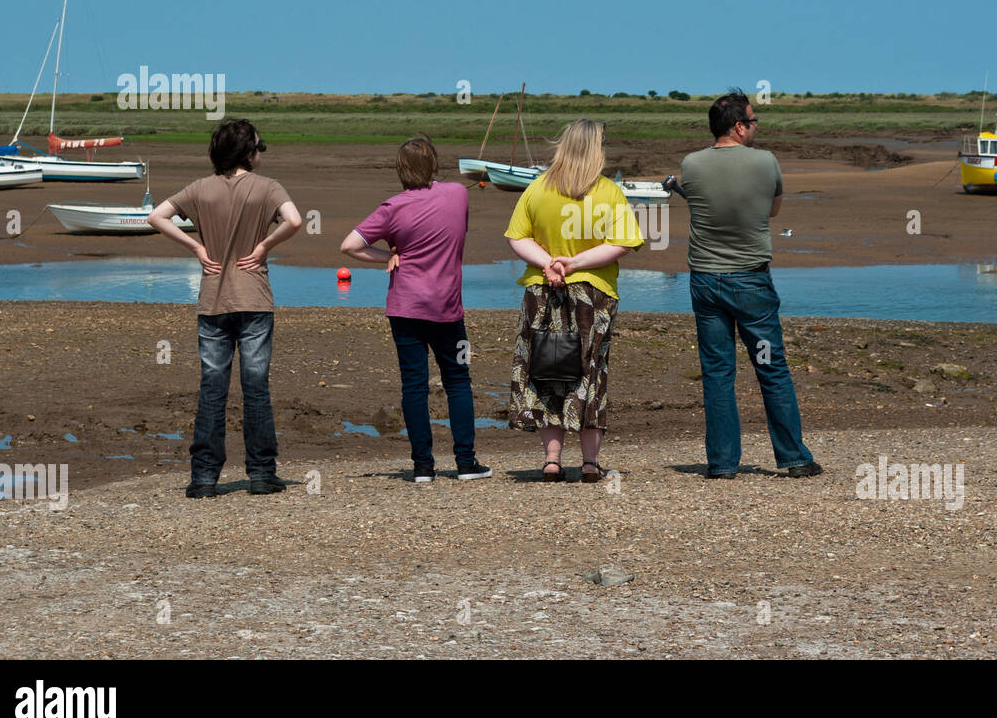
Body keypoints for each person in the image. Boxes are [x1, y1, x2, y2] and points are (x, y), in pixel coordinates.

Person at [147, 119, 303, 497]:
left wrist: (197, 249)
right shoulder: (267, 188)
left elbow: (156, 216)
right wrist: (265, 246)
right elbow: (295, 221)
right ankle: (262, 473)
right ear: (248, 153)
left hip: (212, 300)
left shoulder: (200, 188)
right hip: (254, 298)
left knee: (212, 389)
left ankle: (203, 478)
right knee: (256, 388)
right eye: (258, 146)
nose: (260, 152)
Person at [677, 88, 821, 479]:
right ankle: (794, 457)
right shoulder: (766, 162)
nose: (756, 127)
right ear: (739, 126)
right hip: (751, 281)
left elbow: (696, 198)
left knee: (718, 372)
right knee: (770, 367)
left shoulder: (691, 165)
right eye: (753, 121)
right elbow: (773, 209)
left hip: (706, 280)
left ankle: (723, 463)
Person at [339, 135, 490, 483]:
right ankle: (466, 463)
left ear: (400, 170)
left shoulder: (392, 207)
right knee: (458, 380)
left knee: (414, 385)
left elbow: (349, 245)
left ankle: (423, 466)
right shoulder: (458, 194)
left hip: (405, 309)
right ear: (434, 165)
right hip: (448, 310)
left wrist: (388, 256)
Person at [504, 119, 644, 482]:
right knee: (590, 372)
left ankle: (552, 459)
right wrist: (576, 263)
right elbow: (624, 243)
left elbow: (517, 238)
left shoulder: (536, 189)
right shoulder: (610, 192)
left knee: (545, 368)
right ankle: (589, 462)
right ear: (596, 149)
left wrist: (548, 263)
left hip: (542, 289)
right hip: (594, 294)